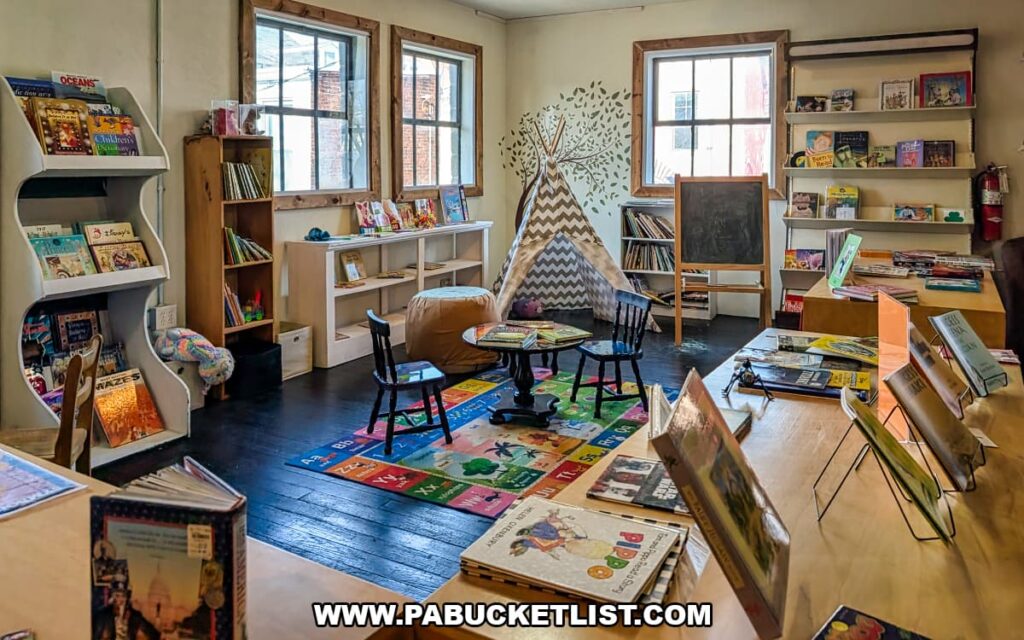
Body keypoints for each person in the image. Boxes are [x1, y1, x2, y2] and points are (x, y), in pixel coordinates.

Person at [92, 580, 159, 640]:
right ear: (112, 597)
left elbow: (154, 635)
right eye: (117, 595)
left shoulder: (135, 617)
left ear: (127, 598)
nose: (120, 601)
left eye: (123, 596)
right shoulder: (101, 616)